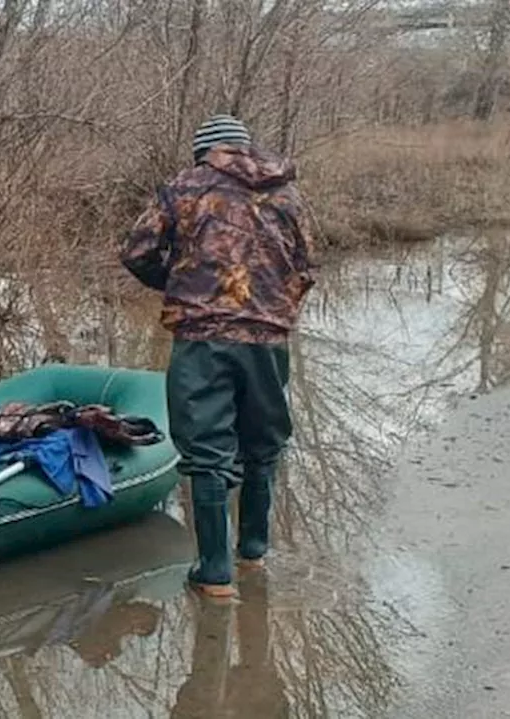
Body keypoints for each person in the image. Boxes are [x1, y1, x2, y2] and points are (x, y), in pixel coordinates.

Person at [119, 114, 318, 598]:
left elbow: (137, 251)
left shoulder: (183, 188)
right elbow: (308, 266)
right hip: (268, 340)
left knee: (206, 452)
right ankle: (253, 551)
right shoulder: (286, 192)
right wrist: (273, 306)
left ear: (203, 151)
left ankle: (214, 573)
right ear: (245, 147)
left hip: (202, 339)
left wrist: (179, 285)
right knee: (263, 444)